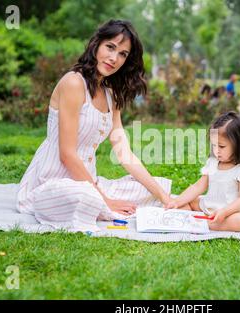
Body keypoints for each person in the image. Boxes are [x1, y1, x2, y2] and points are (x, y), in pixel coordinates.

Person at [16, 20, 172, 233]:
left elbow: (124, 153)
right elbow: (67, 154)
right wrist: (105, 200)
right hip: (52, 184)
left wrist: (164, 197)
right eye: (110, 47)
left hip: (90, 181)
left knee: (157, 187)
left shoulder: (111, 95)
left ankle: (169, 200)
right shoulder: (73, 83)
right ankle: (100, 204)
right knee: (86, 198)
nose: (114, 58)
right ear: (96, 44)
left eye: (123, 54)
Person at [165, 111, 240, 232]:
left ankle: (202, 223)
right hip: (212, 206)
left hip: (234, 211)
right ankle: (204, 220)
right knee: (188, 202)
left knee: (237, 221)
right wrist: (177, 201)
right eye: (214, 146)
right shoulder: (213, 163)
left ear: (238, 145)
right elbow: (198, 187)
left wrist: (225, 212)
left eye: (221, 146)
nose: (216, 151)